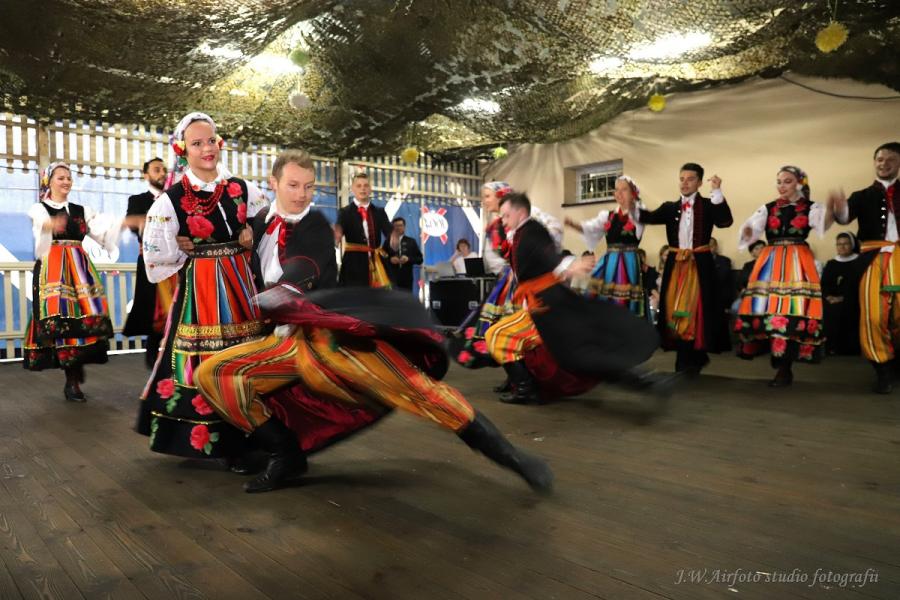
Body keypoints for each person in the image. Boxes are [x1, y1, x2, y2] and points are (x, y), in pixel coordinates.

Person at [195, 152, 553, 494]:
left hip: (332, 338)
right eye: (293, 185)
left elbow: (305, 265)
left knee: (419, 391)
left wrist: (281, 293)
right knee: (215, 375)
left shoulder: (315, 224)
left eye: (309, 186)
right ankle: (285, 454)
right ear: (273, 183)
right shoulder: (258, 224)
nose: (302, 194)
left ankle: (512, 457)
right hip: (286, 342)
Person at [136, 112, 266, 460]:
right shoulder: (171, 199)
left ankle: (256, 434)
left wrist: (252, 229)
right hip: (202, 288)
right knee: (207, 356)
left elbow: (268, 219)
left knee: (247, 353)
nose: (207, 149)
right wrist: (178, 245)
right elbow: (156, 254)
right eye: (197, 143)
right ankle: (223, 442)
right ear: (183, 150)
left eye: (211, 141)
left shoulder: (241, 188)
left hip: (242, 284)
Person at [484, 193, 663, 405]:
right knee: (574, 352)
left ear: (521, 212)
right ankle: (521, 384)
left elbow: (547, 254)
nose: (503, 220)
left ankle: (525, 388)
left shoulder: (532, 231)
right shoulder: (521, 232)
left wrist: (568, 266)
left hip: (546, 306)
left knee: (501, 335)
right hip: (539, 304)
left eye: (506, 215)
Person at [452, 181, 563, 395]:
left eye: (487, 196)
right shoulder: (495, 224)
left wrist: (536, 257)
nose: (484, 201)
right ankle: (513, 377)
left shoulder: (525, 216)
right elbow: (496, 257)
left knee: (516, 332)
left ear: (501, 196)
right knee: (498, 327)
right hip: (507, 280)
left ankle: (525, 380)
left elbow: (554, 229)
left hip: (524, 282)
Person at [23, 162, 121, 401]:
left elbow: (101, 235)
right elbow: (41, 232)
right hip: (53, 270)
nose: (66, 181)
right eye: (60, 178)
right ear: (49, 181)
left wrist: (118, 227)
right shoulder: (39, 208)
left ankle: (75, 369)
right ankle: (72, 379)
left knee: (85, 318)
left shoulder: (82, 210)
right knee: (61, 321)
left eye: (68, 177)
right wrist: (50, 224)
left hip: (80, 270)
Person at [734, 166, 832, 386]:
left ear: (799, 183)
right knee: (767, 311)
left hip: (798, 262)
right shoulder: (767, 208)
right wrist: (748, 233)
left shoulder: (811, 207)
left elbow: (822, 225)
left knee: (792, 311)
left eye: (787, 181)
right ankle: (779, 360)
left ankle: (784, 366)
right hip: (770, 262)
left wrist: (834, 209)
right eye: (779, 181)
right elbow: (750, 231)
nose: (781, 186)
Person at [637, 163, 733, 375]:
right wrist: (631, 202)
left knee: (697, 310)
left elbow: (725, 221)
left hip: (700, 265)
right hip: (676, 265)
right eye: (682, 179)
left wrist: (717, 191)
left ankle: (693, 356)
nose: (685, 183)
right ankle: (687, 357)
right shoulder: (670, 208)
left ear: (699, 182)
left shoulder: (708, 205)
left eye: (690, 179)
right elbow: (647, 217)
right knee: (674, 309)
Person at [831, 142, 900, 393]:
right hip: (872, 260)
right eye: (880, 159)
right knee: (873, 316)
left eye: (890, 159)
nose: (884, 164)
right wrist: (839, 208)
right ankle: (882, 368)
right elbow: (844, 217)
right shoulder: (862, 195)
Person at [564, 175, 647, 319]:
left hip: (628, 263)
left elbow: (639, 213)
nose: (619, 193)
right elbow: (590, 228)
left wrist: (634, 202)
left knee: (624, 301)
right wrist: (573, 225)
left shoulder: (639, 214)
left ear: (633, 193)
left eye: (624, 190)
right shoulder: (608, 216)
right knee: (601, 297)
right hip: (610, 263)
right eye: (616, 190)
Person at [122, 157, 177, 368]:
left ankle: (171, 355)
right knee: (153, 307)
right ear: (146, 175)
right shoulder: (138, 200)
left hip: (175, 262)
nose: (162, 173)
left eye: (163, 169)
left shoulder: (174, 199)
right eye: (156, 170)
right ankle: (152, 350)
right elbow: (132, 223)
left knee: (175, 305)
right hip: (150, 261)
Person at [335, 172, 392, 287]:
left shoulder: (379, 212)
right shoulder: (345, 212)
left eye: (366, 185)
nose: (363, 189)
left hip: (377, 263)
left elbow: (390, 235)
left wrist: (385, 251)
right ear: (352, 189)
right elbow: (337, 235)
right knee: (355, 296)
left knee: (377, 296)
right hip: (353, 265)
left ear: (370, 189)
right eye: (359, 186)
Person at [821, 232, 861, 356]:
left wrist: (842, 298)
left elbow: (860, 285)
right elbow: (823, 284)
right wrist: (828, 296)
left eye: (845, 244)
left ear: (852, 245)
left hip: (852, 299)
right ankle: (832, 347)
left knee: (846, 308)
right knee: (828, 308)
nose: (842, 247)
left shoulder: (859, 262)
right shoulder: (831, 263)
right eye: (839, 244)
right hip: (831, 299)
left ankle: (850, 349)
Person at [381, 216, 423, 290]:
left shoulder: (411, 241)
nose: (398, 228)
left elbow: (420, 259)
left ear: (404, 227)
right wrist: (390, 259)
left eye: (400, 225)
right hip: (391, 278)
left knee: (406, 297)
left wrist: (408, 259)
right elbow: (381, 258)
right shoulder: (387, 241)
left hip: (407, 279)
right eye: (395, 226)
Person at [709, 237, 735, 351]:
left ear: (715, 247)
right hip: (706, 294)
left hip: (721, 295)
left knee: (720, 318)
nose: (709, 249)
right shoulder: (698, 261)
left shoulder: (724, 260)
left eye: (711, 246)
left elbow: (724, 278)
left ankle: (721, 345)